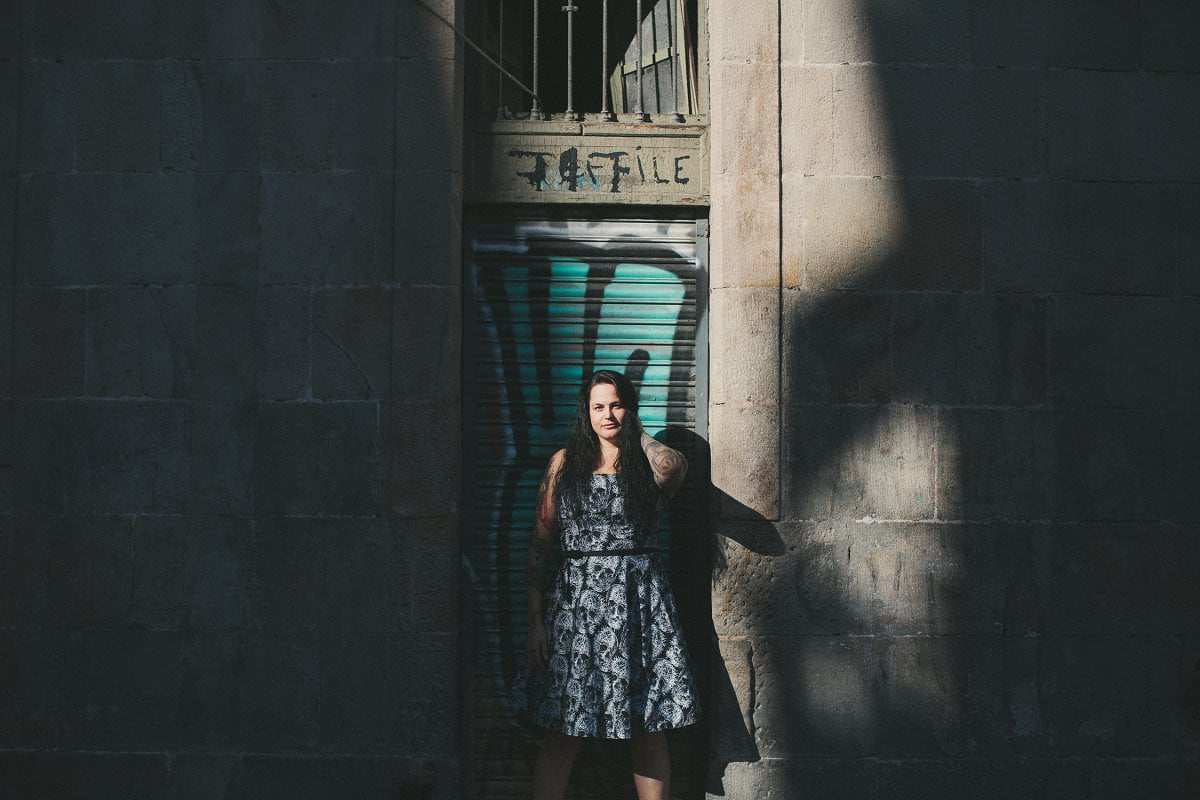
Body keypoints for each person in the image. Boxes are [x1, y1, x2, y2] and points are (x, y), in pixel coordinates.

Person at [515, 369, 701, 800]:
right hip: (577, 607)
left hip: (640, 607)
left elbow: (674, 464)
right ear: (586, 412)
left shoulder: (646, 464)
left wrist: (635, 432)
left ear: (629, 408)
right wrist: (534, 621)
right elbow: (539, 546)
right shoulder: (564, 464)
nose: (608, 415)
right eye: (598, 407)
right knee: (563, 727)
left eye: (616, 404)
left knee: (647, 727)